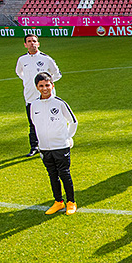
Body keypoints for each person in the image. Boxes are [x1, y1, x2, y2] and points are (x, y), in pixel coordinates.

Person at [29, 73, 78, 215]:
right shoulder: (34, 105)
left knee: (64, 174)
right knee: (52, 174)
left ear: (52, 85)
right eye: (41, 86)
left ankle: (71, 202)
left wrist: (66, 137)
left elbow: (73, 122)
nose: (44, 88)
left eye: (47, 85)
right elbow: (34, 123)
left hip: (61, 146)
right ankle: (58, 202)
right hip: (44, 147)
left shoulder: (59, 103)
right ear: (37, 87)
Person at [15, 34, 62, 157]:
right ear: (25, 44)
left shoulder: (46, 59)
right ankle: (34, 146)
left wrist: (46, 86)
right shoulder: (22, 60)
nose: (32, 43)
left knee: (51, 120)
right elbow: (19, 72)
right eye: (29, 41)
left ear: (38, 43)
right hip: (30, 96)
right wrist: (28, 82)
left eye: (34, 41)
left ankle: (53, 144)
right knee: (33, 123)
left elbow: (57, 74)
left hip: (47, 98)